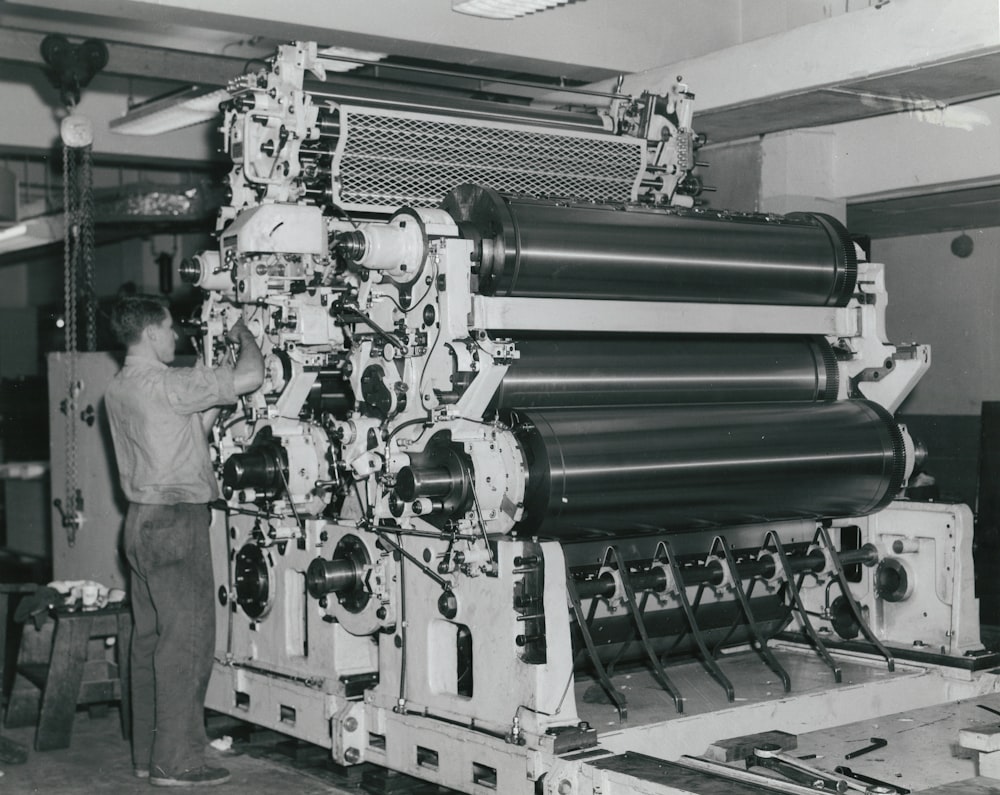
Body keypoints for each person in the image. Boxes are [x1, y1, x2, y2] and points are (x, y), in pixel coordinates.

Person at [105, 295, 263, 787]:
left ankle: (146, 754)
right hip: (177, 523)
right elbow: (252, 377)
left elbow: (188, 425)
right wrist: (246, 338)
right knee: (187, 643)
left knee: (150, 640)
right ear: (151, 334)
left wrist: (211, 381)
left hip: (140, 522)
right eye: (169, 329)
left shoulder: (120, 387)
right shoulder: (168, 384)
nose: (174, 336)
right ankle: (176, 762)